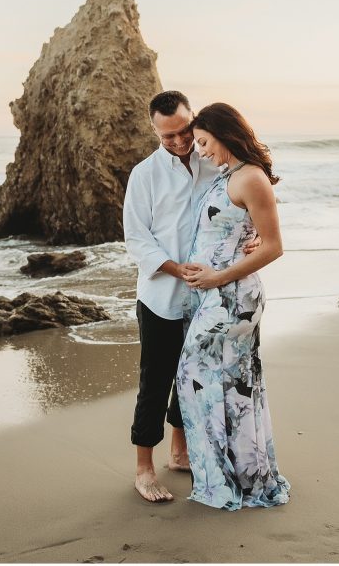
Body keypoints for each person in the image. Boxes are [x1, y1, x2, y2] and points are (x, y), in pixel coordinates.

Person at [122, 91, 259, 503]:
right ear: (155, 131)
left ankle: (179, 453)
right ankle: (144, 469)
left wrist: (255, 237)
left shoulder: (212, 159)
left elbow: (249, 201)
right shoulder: (144, 175)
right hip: (161, 296)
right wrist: (173, 268)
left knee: (194, 377)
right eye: (169, 137)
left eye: (185, 132)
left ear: (194, 121)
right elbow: (136, 237)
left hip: (208, 298)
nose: (180, 142)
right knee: (156, 381)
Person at [176, 102, 291, 510]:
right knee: (231, 384)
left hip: (234, 297)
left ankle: (223, 481)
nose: (201, 150)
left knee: (195, 375)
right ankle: (240, 476)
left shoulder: (252, 179)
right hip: (217, 294)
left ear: (224, 134)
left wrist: (217, 277)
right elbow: (246, 233)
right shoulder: (231, 174)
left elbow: (274, 246)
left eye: (204, 142)